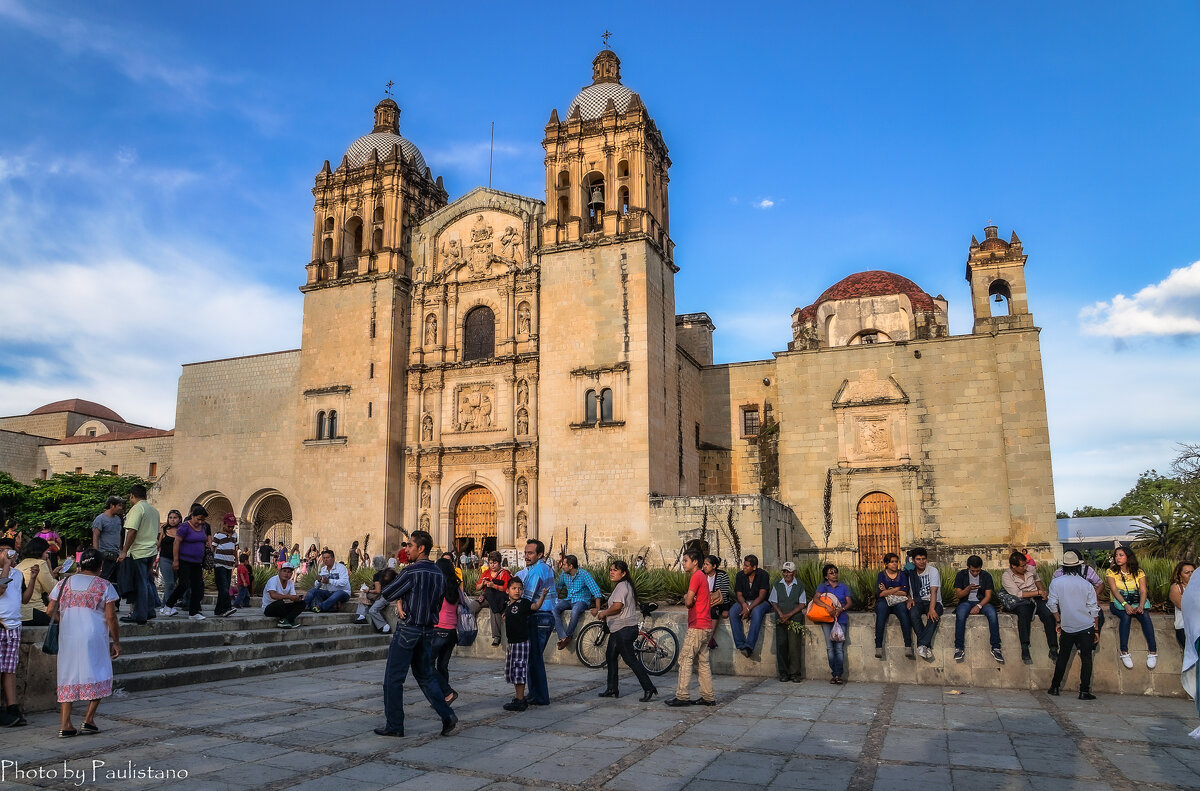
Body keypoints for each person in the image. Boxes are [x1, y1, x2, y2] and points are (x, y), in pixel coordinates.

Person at [376, 530, 457, 738]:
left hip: (408, 629)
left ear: (421, 549)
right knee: (425, 675)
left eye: (410, 545)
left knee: (393, 678)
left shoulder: (411, 572)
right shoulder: (439, 574)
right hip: (429, 630)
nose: (406, 549)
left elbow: (388, 593)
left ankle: (394, 724)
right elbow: (439, 603)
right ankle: (447, 714)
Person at [44, 548, 120, 737]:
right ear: (100, 566)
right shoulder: (105, 586)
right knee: (100, 672)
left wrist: (68, 622)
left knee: (67, 675)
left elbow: (49, 610)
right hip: (94, 636)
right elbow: (111, 617)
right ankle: (88, 719)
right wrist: (116, 641)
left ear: (80, 564)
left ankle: (65, 724)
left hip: (68, 636)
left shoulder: (63, 583)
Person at [594, 560, 657, 701]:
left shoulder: (622, 586)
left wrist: (604, 613)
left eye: (615, 570)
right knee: (610, 656)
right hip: (618, 629)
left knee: (630, 660)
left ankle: (649, 688)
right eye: (611, 569)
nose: (612, 572)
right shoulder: (623, 585)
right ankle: (612, 688)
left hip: (624, 629)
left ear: (623, 573)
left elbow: (617, 607)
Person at [1046, 551, 1100, 700]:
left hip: (1067, 626)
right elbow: (1093, 608)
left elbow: (1051, 604)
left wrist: (1058, 620)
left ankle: (1055, 687)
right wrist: (1096, 629)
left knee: (1063, 656)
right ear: (1078, 566)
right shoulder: (1086, 584)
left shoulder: (1056, 582)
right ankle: (1084, 691)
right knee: (1086, 658)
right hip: (1086, 625)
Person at [665, 548, 714, 706]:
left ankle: (682, 696)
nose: (683, 564)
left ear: (695, 562)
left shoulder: (696, 577)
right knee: (703, 661)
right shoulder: (703, 576)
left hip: (697, 625)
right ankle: (708, 696)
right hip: (706, 625)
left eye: (685, 560)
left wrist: (687, 597)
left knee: (685, 659)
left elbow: (688, 601)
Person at [1001, 550, 1059, 664]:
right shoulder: (1007, 576)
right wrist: (1038, 592)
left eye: (1025, 564)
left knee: (1048, 614)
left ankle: (1053, 648)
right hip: (1021, 600)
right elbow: (1018, 594)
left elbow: (1037, 580)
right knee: (1023, 615)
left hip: (1036, 596)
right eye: (1022, 566)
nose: (1025, 568)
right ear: (1014, 566)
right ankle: (1024, 646)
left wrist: (1042, 592)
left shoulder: (1030, 569)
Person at [1106, 545, 1158, 669]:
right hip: (1118, 603)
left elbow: (1143, 591)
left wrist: (1141, 606)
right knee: (1125, 616)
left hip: (1136, 602)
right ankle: (1124, 652)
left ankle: (1153, 652)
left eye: (1121, 555)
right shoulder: (1111, 572)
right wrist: (1125, 605)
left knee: (1145, 615)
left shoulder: (1139, 572)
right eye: (1116, 555)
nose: (1117, 558)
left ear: (1128, 557)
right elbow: (1114, 591)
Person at [0, 546, 36, 726]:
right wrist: (6, 566)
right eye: (3, 551)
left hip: (13, 625)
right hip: (0, 623)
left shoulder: (18, 574)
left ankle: (12, 706)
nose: (8, 555)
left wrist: (33, 579)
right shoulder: (5, 572)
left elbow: (24, 599)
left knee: (9, 669)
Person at [519, 539, 557, 707]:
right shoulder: (544, 568)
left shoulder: (537, 571)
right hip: (544, 616)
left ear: (539, 554)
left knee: (534, 659)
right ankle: (535, 694)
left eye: (530, 553)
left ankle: (540, 696)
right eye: (526, 553)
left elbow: (527, 598)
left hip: (539, 617)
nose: (526, 556)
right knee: (534, 659)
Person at [116, 485, 160, 625]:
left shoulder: (136, 509)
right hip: (151, 551)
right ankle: (149, 611)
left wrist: (124, 551)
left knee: (139, 583)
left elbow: (132, 531)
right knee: (146, 581)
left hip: (138, 552)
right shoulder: (154, 511)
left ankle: (139, 614)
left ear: (131, 496)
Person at [161, 504, 211, 620]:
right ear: (192, 516)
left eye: (202, 520)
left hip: (196, 562)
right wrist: (176, 560)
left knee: (197, 587)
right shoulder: (184, 527)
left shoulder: (203, 527)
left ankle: (193, 612)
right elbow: (176, 543)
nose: (200, 522)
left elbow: (204, 541)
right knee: (184, 584)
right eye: (198, 519)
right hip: (184, 560)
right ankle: (168, 605)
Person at [953, 555, 1004, 664]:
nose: (975, 573)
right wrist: (967, 589)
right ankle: (959, 647)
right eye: (973, 571)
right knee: (960, 614)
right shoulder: (961, 575)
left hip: (982, 602)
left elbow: (988, 596)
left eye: (977, 571)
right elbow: (958, 595)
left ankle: (996, 647)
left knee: (992, 614)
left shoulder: (986, 576)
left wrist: (979, 606)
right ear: (968, 567)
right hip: (966, 601)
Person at [554, 554, 603, 650]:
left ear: (571, 566)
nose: (562, 567)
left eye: (564, 565)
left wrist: (597, 608)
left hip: (582, 601)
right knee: (554, 609)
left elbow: (596, 590)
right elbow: (559, 588)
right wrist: (554, 599)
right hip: (569, 599)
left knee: (575, 610)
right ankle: (563, 637)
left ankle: (569, 636)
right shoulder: (564, 574)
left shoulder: (584, 574)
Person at [432, 558, 462, 705]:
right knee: (443, 666)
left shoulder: (438, 587)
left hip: (439, 629)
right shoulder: (456, 588)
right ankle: (443, 698)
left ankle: (447, 692)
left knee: (427, 664)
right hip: (452, 631)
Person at [770, 561, 806, 682]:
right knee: (781, 645)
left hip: (795, 619)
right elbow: (773, 601)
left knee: (794, 646)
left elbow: (802, 604)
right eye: (784, 571)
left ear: (794, 573)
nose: (786, 574)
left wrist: (789, 615)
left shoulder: (799, 585)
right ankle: (783, 673)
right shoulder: (777, 584)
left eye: (789, 571)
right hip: (781, 619)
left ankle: (795, 673)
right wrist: (781, 615)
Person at [501, 578, 534, 711]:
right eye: (514, 588)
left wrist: (543, 596)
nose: (517, 591)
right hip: (512, 642)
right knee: (513, 671)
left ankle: (521, 701)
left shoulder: (524, 603)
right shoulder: (508, 604)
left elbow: (535, 606)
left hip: (521, 642)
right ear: (508, 590)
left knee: (519, 670)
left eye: (520, 588)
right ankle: (518, 697)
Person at [729, 554, 771, 657]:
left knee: (756, 612)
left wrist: (749, 608)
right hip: (744, 601)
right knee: (733, 612)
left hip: (761, 603)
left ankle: (749, 646)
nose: (744, 567)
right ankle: (740, 644)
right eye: (744, 565)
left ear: (754, 567)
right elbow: (738, 594)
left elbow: (761, 596)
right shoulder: (740, 575)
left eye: (747, 566)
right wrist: (744, 605)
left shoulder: (763, 575)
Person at [874, 552, 914, 659]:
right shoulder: (881, 575)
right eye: (892, 562)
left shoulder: (902, 575)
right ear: (886, 564)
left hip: (899, 601)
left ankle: (908, 645)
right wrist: (897, 588)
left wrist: (888, 590)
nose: (895, 564)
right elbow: (880, 594)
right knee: (881, 615)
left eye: (896, 562)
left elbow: (905, 592)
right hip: (884, 601)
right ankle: (878, 646)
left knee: (903, 614)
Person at [817, 563, 851, 684]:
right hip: (826, 619)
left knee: (839, 648)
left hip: (840, 620)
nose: (834, 574)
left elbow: (849, 602)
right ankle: (834, 673)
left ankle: (838, 674)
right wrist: (828, 607)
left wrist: (840, 609)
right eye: (831, 573)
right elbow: (816, 599)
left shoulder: (843, 587)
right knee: (830, 648)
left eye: (835, 572)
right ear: (826, 576)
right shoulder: (823, 587)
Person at [905, 547, 942, 661]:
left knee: (933, 616)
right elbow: (905, 587)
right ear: (913, 560)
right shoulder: (909, 572)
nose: (921, 562)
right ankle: (925, 646)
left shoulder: (932, 571)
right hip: (918, 601)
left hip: (934, 601)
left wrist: (931, 609)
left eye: (924, 559)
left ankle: (922, 644)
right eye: (918, 559)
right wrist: (909, 598)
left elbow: (934, 590)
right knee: (913, 613)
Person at [469, 551, 511, 646]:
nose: (492, 565)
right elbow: (477, 587)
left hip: (499, 599)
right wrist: (483, 584)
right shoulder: (486, 572)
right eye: (491, 563)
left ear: (499, 563)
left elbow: (506, 589)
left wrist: (493, 585)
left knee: (494, 609)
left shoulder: (504, 573)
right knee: (472, 606)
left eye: (495, 563)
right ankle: (470, 628)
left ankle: (497, 636)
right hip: (486, 597)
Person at [18, 537, 57, 626]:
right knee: (63, 618)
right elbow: (52, 588)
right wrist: (50, 567)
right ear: (40, 552)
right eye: (46, 552)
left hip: (19, 613)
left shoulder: (19, 565)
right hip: (34, 612)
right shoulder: (40, 563)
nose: (47, 556)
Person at [91, 496, 125, 583]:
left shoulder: (118, 519)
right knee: (103, 580)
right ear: (112, 506)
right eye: (119, 505)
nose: (120, 508)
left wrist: (121, 550)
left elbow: (119, 535)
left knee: (116, 581)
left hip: (116, 555)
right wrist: (97, 555)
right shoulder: (100, 519)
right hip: (105, 555)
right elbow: (95, 537)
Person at [211, 515, 239, 617]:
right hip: (219, 564)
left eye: (232, 527)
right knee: (223, 588)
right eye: (229, 526)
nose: (231, 528)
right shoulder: (218, 535)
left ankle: (218, 610)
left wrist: (236, 560)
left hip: (229, 565)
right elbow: (213, 548)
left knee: (225, 586)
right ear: (224, 524)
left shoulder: (235, 536)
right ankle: (227, 607)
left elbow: (235, 548)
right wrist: (211, 562)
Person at [703, 554, 732, 649]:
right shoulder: (702, 574)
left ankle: (709, 638)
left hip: (719, 603)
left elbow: (724, 594)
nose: (705, 566)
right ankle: (710, 640)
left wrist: (726, 609)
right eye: (704, 564)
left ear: (714, 566)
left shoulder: (722, 575)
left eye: (707, 564)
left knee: (713, 610)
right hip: (704, 601)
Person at [357, 567, 397, 633]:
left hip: (386, 597)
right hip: (384, 596)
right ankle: (361, 616)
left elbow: (378, 591)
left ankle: (385, 626)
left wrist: (369, 590)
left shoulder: (380, 576)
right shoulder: (389, 576)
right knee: (363, 597)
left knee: (372, 610)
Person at [158, 510, 184, 603]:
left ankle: (165, 604)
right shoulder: (164, 530)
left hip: (178, 560)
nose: (172, 520)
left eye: (175, 518)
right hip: (165, 559)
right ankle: (168, 606)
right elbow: (158, 544)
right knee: (169, 583)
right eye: (170, 518)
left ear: (180, 519)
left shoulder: (182, 530)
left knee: (173, 583)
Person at [1171, 561, 1195, 650]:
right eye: (1187, 572)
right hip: (1185, 628)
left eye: (1193, 572)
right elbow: (1184, 607)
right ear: (1179, 575)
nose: (1191, 574)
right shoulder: (1176, 588)